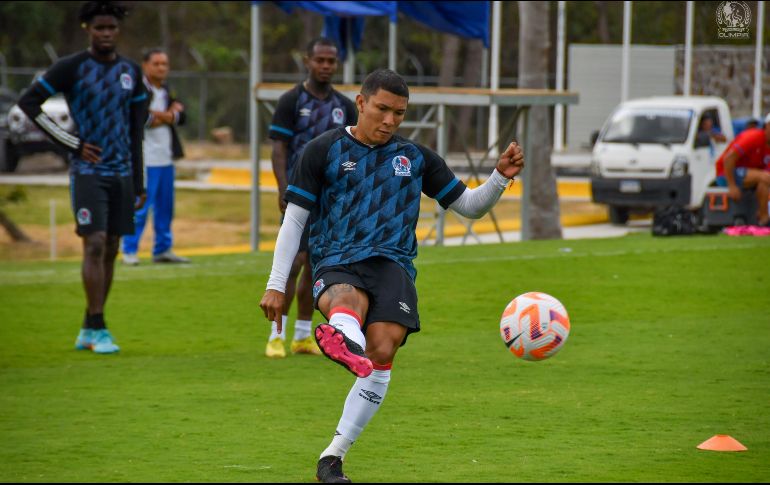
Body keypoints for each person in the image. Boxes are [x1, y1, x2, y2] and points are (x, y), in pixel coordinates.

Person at [259, 69, 525, 483]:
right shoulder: (322, 150)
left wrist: (499, 178)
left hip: (393, 264)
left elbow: (468, 206)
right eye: (382, 109)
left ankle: (333, 456)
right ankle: (345, 337)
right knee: (346, 300)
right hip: (336, 258)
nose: (389, 121)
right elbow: (294, 223)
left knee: (382, 352)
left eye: (399, 114)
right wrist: (276, 285)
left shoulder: (415, 158)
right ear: (361, 103)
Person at [17, 1, 147, 354]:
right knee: (93, 242)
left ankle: (90, 326)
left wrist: (139, 180)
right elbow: (29, 103)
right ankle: (99, 326)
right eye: (99, 28)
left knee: (111, 248)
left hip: (122, 173)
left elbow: (137, 130)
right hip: (88, 172)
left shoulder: (131, 72)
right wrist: (72, 144)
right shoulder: (71, 67)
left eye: (111, 28)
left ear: (118, 31)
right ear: (87, 29)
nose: (106, 33)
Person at [264, 37, 357, 358]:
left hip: (330, 200)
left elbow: (351, 152)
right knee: (293, 263)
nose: (326, 66)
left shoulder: (344, 106)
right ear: (308, 61)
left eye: (331, 61)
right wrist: (283, 187)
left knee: (316, 268)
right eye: (320, 60)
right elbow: (279, 148)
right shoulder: (291, 100)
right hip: (300, 194)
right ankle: (276, 335)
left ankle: (303, 336)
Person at [122, 47, 190, 266]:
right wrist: (169, 115)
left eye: (165, 64)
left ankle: (162, 249)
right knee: (141, 206)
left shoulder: (166, 89)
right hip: (145, 159)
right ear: (145, 65)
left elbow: (182, 116)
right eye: (157, 63)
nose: (161, 68)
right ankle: (129, 250)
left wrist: (165, 116)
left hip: (165, 158)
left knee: (165, 208)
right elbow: (140, 117)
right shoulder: (138, 89)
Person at [715, 112, 770, 226]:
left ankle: (764, 220)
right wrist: (732, 186)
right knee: (764, 177)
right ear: (766, 126)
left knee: (764, 183)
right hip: (726, 174)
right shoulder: (754, 136)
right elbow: (728, 159)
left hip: (749, 177)